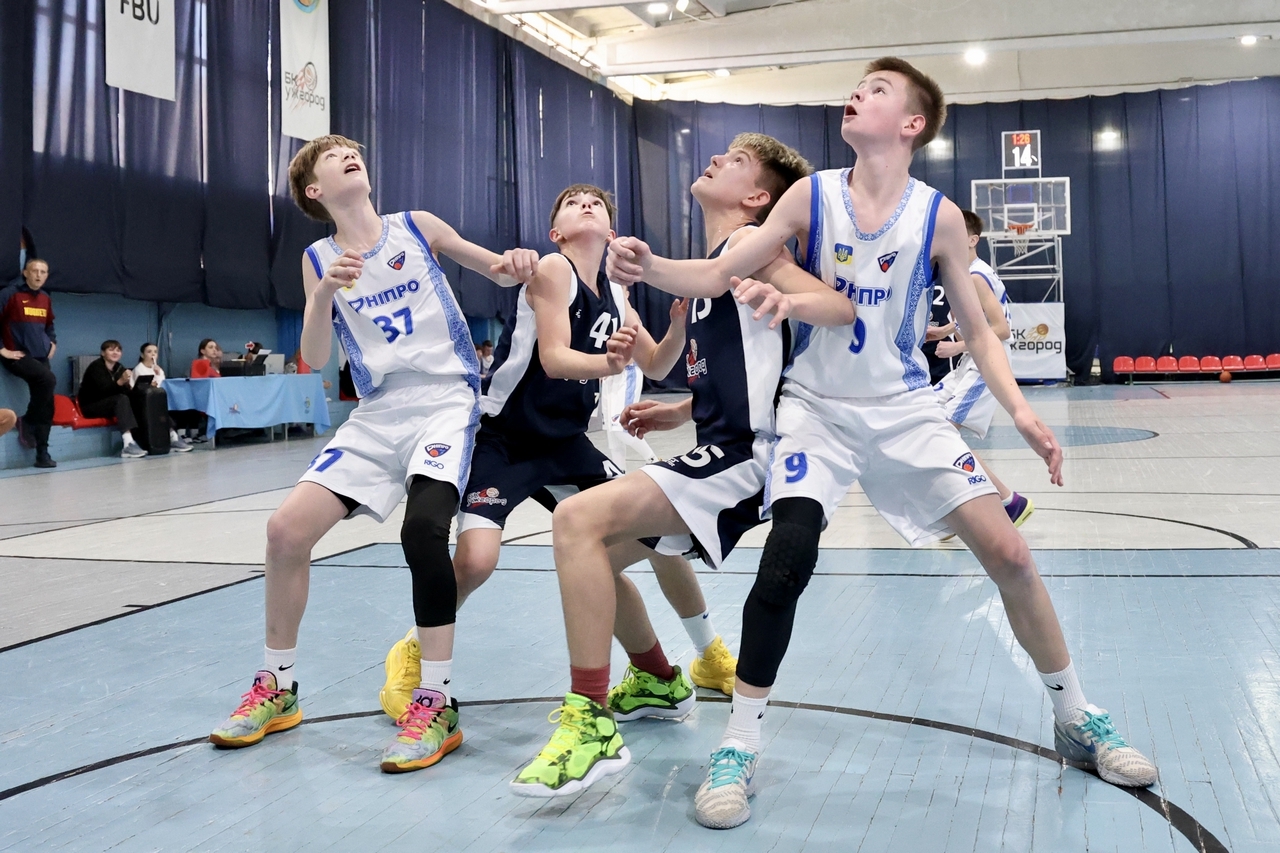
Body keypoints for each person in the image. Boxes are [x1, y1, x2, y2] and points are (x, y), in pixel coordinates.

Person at [607, 57, 1156, 828]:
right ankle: (739, 743)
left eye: (878, 88)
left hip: (905, 409)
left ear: (911, 123)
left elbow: (979, 331)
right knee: (788, 556)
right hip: (816, 411)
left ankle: (1076, 714)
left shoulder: (938, 216)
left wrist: (1023, 412)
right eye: (858, 85)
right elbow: (719, 270)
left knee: (1009, 553)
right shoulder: (810, 196)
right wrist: (653, 265)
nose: (857, 93)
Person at [513, 135, 852, 797]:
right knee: (596, 557)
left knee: (576, 520)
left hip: (751, 454)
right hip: (718, 443)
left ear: (757, 197)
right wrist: (677, 410)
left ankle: (590, 721)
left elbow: (838, 309)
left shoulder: (754, 248)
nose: (716, 159)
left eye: (735, 160)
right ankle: (658, 681)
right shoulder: (711, 270)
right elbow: (726, 369)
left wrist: (791, 300)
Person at [208, 135, 538, 775]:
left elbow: (497, 268)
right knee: (285, 531)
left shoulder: (417, 226)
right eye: (333, 156)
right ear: (314, 190)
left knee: (423, 532)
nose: (349, 155)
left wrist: (517, 261)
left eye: (353, 150)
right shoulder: (318, 258)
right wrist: (321, 296)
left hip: (446, 400)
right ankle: (278, 687)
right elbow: (315, 358)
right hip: (379, 411)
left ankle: (435, 702)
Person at [379, 184, 739, 763]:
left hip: (566, 442)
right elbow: (554, 359)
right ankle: (414, 648)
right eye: (573, 203)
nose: (587, 205)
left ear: (612, 230)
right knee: (476, 561)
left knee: (655, 530)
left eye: (597, 203)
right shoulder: (552, 269)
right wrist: (608, 363)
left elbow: (656, 363)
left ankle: (693, 661)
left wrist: (674, 328)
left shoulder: (617, 293)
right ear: (557, 232)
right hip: (506, 440)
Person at [929, 210, 1032, 528]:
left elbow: (1000, 329)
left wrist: (956, 346)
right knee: (926, 422)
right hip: (970, 361)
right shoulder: (966, 273)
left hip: (986, 363)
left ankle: (1006, 501)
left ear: (972, 240)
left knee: (945, 434)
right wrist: (944, 330)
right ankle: (986, 504)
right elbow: (974, 319)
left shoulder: (976, 276)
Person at [0, 257, 58, 468]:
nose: (39, 275)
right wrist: (1, 349)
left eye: (43, 272)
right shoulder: (9, 294)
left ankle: (42, 453)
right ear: (25, 273)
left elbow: (49, 325)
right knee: (48, 380)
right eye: (35, 271)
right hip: (18, 356)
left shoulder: (45, 297)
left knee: (48, 404)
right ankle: (28, 421)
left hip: (41, 357)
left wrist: (53, 342)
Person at [78, 340, 147, 459]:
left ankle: (165, 436)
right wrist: (120, 382)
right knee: (120, 399)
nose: (115, 353)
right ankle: (128, 443)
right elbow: (103, 391)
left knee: (140, 399)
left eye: (118, 350)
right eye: (111, 350)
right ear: (103, 353)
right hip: (91, 405)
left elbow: (122, 391)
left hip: (110, 404)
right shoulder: (96, 367)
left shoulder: (119, 368)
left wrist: (130, 387)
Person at [131, 343, 194, 452]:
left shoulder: (158, 370)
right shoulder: (138, 369)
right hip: (141, 402)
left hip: (156, 401)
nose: (153, 354)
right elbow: (138, 388)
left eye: (155, 352)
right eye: (149, 352)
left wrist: (158, 374)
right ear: (142, 355)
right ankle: (173, 436)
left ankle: (174, 436)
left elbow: (161, 386)